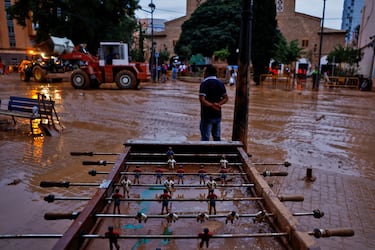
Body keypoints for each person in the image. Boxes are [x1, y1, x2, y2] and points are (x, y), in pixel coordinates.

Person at [199, 64, 228, 141]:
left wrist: (212, 105)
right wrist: (218, 104)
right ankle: (218, 152)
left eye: (204, 71)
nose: (203, 73)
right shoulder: (220, 83)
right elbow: (226, 98)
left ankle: (204, 153)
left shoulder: (204, 83)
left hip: (207, 116)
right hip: (217, 115)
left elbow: (202, 99)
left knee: (205, 138)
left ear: (207, 72)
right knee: (217, 137)